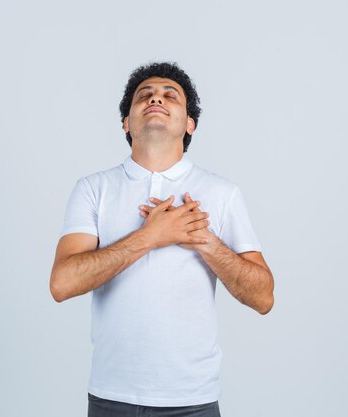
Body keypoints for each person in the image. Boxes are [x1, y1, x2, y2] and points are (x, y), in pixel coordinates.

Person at [49, 61, 275, 417]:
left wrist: (204, 240)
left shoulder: (222, 193)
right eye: (145, 95)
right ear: (127, 123)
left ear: (189, 125)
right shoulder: (93, 189)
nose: (157, 98)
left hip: (193, 401)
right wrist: (150, 236)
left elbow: (263, 297)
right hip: (110, 397)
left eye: (171, 95)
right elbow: (62, 284)